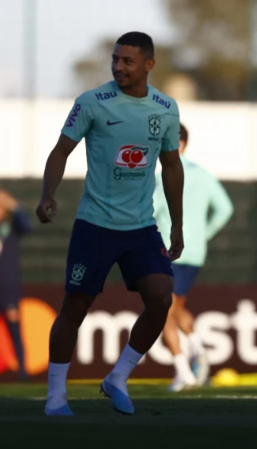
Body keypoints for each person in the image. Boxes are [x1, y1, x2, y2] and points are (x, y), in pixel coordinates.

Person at [36, 31, 183, 416]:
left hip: (141, 228)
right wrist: (47, 194)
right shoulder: (91, 102)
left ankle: (117, 377)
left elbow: (171, 165)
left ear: (149, 65)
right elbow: (60, 151)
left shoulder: (166, 108)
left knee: (161, 297)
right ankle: (56, 397)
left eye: (128, 61)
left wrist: (178, 225)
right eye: (116, 59)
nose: (119, 66)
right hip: (95, 225)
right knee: (75, 306)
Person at [153, 123, 234, 392]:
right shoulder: (204, 175)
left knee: (162, 312)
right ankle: (198, 347)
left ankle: (183, 371)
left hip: (168, 251)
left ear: (179, 144)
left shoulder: (164, 176)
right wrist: (203, 234)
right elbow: (225, 209)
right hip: (195, 252)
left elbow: (151, 210)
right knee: (175, 307)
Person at [0, 190, 33, 381]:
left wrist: (14, 205)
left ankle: (22, 372)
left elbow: (27, 226)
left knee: (15, 332)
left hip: (8, 289)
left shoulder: (11, 228)